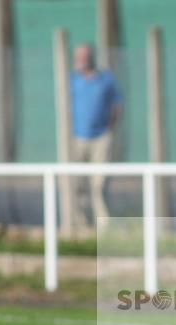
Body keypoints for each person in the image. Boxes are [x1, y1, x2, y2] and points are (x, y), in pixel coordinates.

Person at [70, 43, 123, 225]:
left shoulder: (105, 79)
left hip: (101, 138)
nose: (82, 60)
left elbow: (117, 105)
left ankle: (103, 224)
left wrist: (110, 129)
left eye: (85, 56)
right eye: (79, 56)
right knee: (77, 182)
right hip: (78, 138)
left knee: (98, 184)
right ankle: (81, 223)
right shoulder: (72, 80)